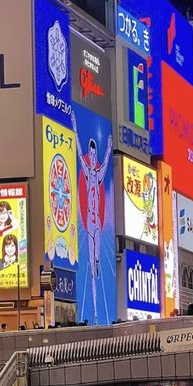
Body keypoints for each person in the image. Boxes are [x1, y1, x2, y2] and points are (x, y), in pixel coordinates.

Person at [71, 109, 113, 325]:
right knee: (91, 263)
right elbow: (78, 153)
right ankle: (95, 315)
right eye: (91, 153)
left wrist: (109, 146)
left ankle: (96, 264)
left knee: (96, 263)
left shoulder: (99, 173)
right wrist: (75, 128)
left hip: (97, 221)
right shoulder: (88, 172)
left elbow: (107, 159)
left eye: (94, 154)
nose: (92, 156)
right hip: (90, 221)